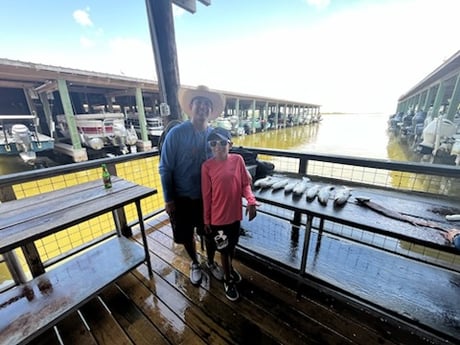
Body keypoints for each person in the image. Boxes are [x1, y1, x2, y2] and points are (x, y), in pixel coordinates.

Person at [159, 85, 226, 285]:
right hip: (183, 196)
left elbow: (225, 162)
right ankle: (195, 263)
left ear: (211, 111)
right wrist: (168, 199)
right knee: (186, 234)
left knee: (211, 233)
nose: (203, 107)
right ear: (191, 106)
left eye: (207, 104)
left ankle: (211, 262)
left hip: (210, 198)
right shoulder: (176, 134)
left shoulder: (215, 136)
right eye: (199, 103)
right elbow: (165, 168)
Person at [201, 127, 258, 301]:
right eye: (214, 143)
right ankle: (227, 281)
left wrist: (251, 200)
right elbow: (206, 196)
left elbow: (244, 185)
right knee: (224, 250)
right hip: (218, 220)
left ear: (230, 144)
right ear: (210, 147)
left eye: (223, 142)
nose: (218, 146)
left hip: (235, 216)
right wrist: (206, 220)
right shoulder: (207, 167)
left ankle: (230, 269)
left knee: (232, 247)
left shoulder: (238, 160)